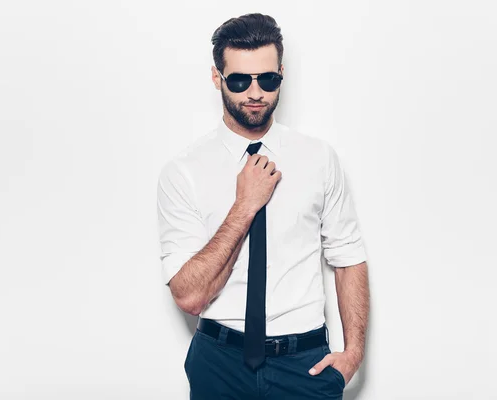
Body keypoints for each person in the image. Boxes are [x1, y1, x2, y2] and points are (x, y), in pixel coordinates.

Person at [157, 13, 370, 399]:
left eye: (267, 79)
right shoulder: (183, 172)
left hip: (304, 363)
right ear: (216, 77)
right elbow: (189, 296)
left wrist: (353, 354)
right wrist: (244, 206)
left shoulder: (318, 159)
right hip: (219, 363)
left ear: (282, 74)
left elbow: (348, 257)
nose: (254, 92)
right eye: (239, 80)